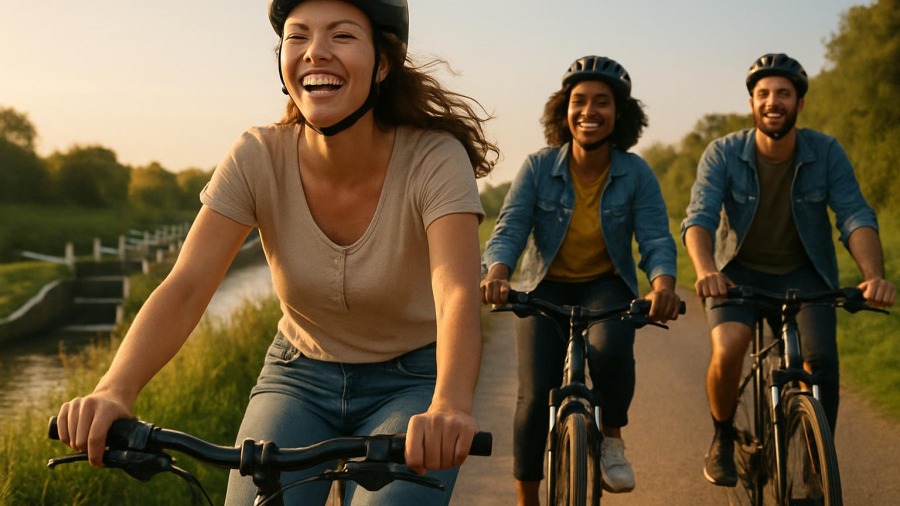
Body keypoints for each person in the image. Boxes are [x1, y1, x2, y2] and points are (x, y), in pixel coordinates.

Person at [55, 0, 500, 504]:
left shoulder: (434, 158)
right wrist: (115, 388)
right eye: (298, 36)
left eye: (342, 36)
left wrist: (449, 404)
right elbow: (187, 285)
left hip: (414, 377)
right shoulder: (257, 156)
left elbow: (457, 291)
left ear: (382, 63)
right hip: (299, 372)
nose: (316, 52)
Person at [682, 52, 896, 487]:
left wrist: (873, 275)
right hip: (736, 273)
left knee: (820, 363)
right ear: (752, 103)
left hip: (804, 274)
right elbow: (699, 219)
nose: (772, 101)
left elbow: (854, 215)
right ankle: (723, 437)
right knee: (730, 347)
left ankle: (819, 466)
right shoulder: (723, 153)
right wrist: (706, 270)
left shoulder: (826, 151)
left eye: (783, 93)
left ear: (799, 103)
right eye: (763, 94)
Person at [481, 55, 681, 505]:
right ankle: (527, 500)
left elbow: (654, 237)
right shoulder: (537, 167)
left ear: (620, 114)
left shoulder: (636, 173)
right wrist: (497, 274)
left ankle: (612, 438)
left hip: (605, 284)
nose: (589, 111)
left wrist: (663, 285)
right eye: (579, 101)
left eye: (602, 103)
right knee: (534, 399)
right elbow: (510, 227)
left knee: (611, 350)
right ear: (563, 109)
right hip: (542, 285)